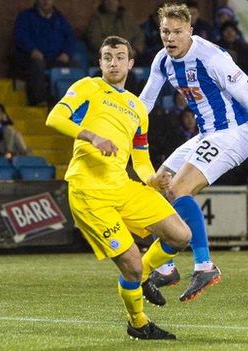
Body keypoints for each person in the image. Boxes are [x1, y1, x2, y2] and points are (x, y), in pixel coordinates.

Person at [138, 3, 248, 302]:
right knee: (157, 185)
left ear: (190, 30)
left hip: (233, 134)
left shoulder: (212, 56)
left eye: (178, 31)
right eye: (166, 31)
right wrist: (119, 127)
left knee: (178, 189)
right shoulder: (162, 60)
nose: (171, 38)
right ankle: (165, 268)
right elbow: (145, 103)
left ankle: (204, 265)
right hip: (207, 134)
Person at [46, 35, 191, 340]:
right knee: (131, 268)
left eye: (120, 57)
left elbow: (140, 158)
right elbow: (54, 118)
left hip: (123, 187)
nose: (114, 63)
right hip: (89, 192)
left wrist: (153, 180)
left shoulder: (137, 108)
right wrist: (91, 137)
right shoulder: (88, 87)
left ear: (131, 64)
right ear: (100, 63)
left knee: (181, 235)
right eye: (108, 57)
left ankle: (148, 277)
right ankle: (138, 323)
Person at [13, 0, 76, 105]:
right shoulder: (26, 16)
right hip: (32, 58)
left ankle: (72, 103)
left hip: (56, 58)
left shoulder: (60, 18)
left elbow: (70, 37)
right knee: (38, 65)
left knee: (74, 66)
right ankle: (39, 101)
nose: (46, 1)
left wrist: (66, 53)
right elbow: (20, 36)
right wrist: (32, 50)